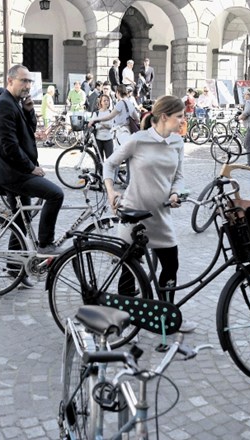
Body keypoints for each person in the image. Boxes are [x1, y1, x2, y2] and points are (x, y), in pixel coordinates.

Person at [102, 95, 196, 332]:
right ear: (164, 117)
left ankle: (165, 316)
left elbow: (179, 176)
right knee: (128, 271)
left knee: (171, 265)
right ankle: (125, 320)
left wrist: (176, 193)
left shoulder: (177, 143)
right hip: (134, 215)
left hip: (162, 217)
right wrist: (111, 191)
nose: (183, 120)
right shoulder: (138, 140)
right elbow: (109, 164)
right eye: (179, 116)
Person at [0, 64, 64, 263]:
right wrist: (31, 168)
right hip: (13, 173)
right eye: (23, 80)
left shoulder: (15, 102)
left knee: (21, 222)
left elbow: (28, 130)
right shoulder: (5, 104)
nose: (27, 85)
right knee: (56, 194)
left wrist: (29, 110)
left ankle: (15, 268)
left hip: (17, 171)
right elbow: (9, 146)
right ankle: (45, 243)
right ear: (10, 81)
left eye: (29, 81)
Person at [92, 94, 115, 163]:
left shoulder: (111, 112)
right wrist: (105, 125)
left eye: (107, 100)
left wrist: (101, 123)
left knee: (110, 159)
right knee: (99, 160)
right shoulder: (96, 113)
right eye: (104, 100)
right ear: (101, 102)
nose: (106, 102)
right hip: (98, 139)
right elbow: (96, 126)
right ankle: (100, 173)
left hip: (108, 138)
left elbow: (111, 126)